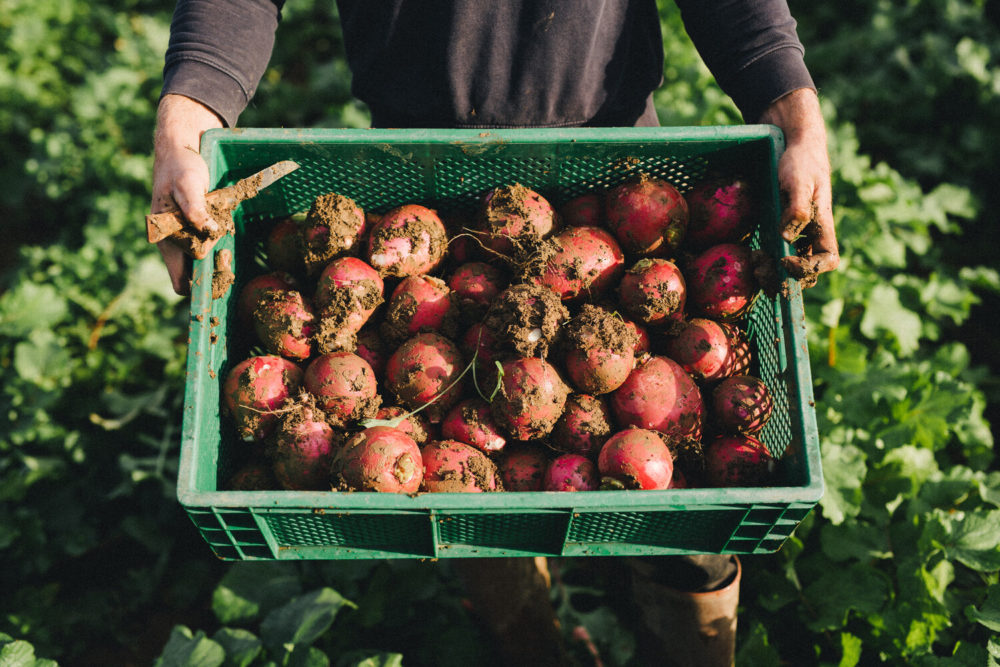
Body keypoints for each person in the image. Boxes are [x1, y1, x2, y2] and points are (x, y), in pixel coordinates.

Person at [151, 2, 839, 665]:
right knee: (472, 515)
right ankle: (531, 649)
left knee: (687, 528)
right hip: (426, 173)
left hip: (608, 150)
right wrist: (183, 125)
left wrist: (793, 113)